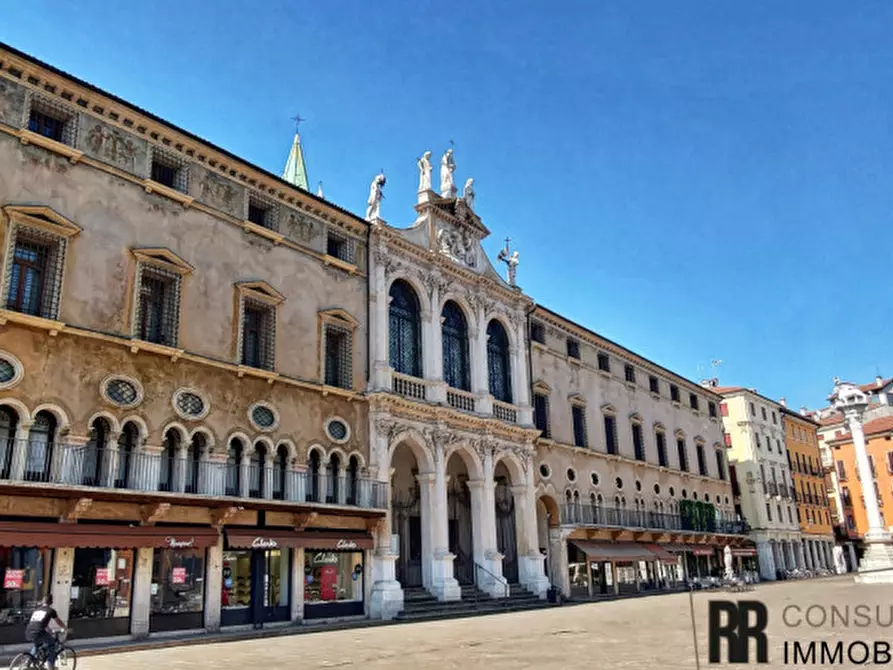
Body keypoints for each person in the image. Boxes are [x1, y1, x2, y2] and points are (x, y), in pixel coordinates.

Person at [25, 594, 66, 670]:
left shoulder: (37, 610)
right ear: (51, 602)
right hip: (39, 632)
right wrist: (64, 627)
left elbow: (42, 623)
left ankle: (29, 660)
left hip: (29, 631)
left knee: (37, 645)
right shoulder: (51, 610)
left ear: (43, 601)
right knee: (52, 643)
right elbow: (58, 621)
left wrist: (50, 631)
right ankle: (50, 663)